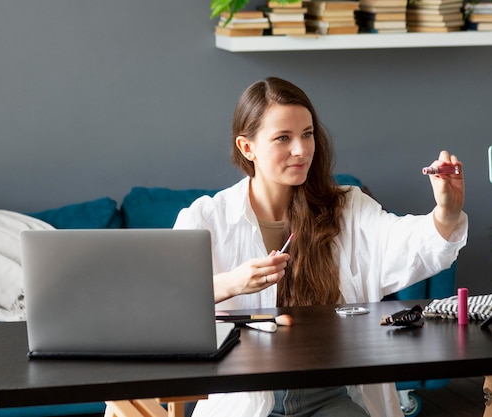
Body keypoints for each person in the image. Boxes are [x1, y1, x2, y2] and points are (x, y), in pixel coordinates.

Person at [174, 77, 468, 417]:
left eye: (307, 134)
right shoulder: (206, 218)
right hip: (245, 398)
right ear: (247, 147)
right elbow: (165, 305)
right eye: (283, 138)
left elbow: (411, 244)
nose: (301, 150)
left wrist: (447, 209)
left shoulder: (347, 207)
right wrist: (233, 283)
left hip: (327, 396)